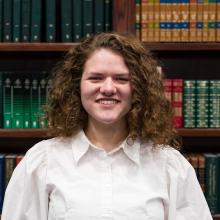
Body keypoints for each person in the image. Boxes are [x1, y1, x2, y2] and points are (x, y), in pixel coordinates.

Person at [2, 32, 212, 220]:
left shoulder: (170, 167)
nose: (108, 88)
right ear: (77, 87)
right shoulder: (41, 163)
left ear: (138, 88)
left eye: (121, 79)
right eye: (96, 78)